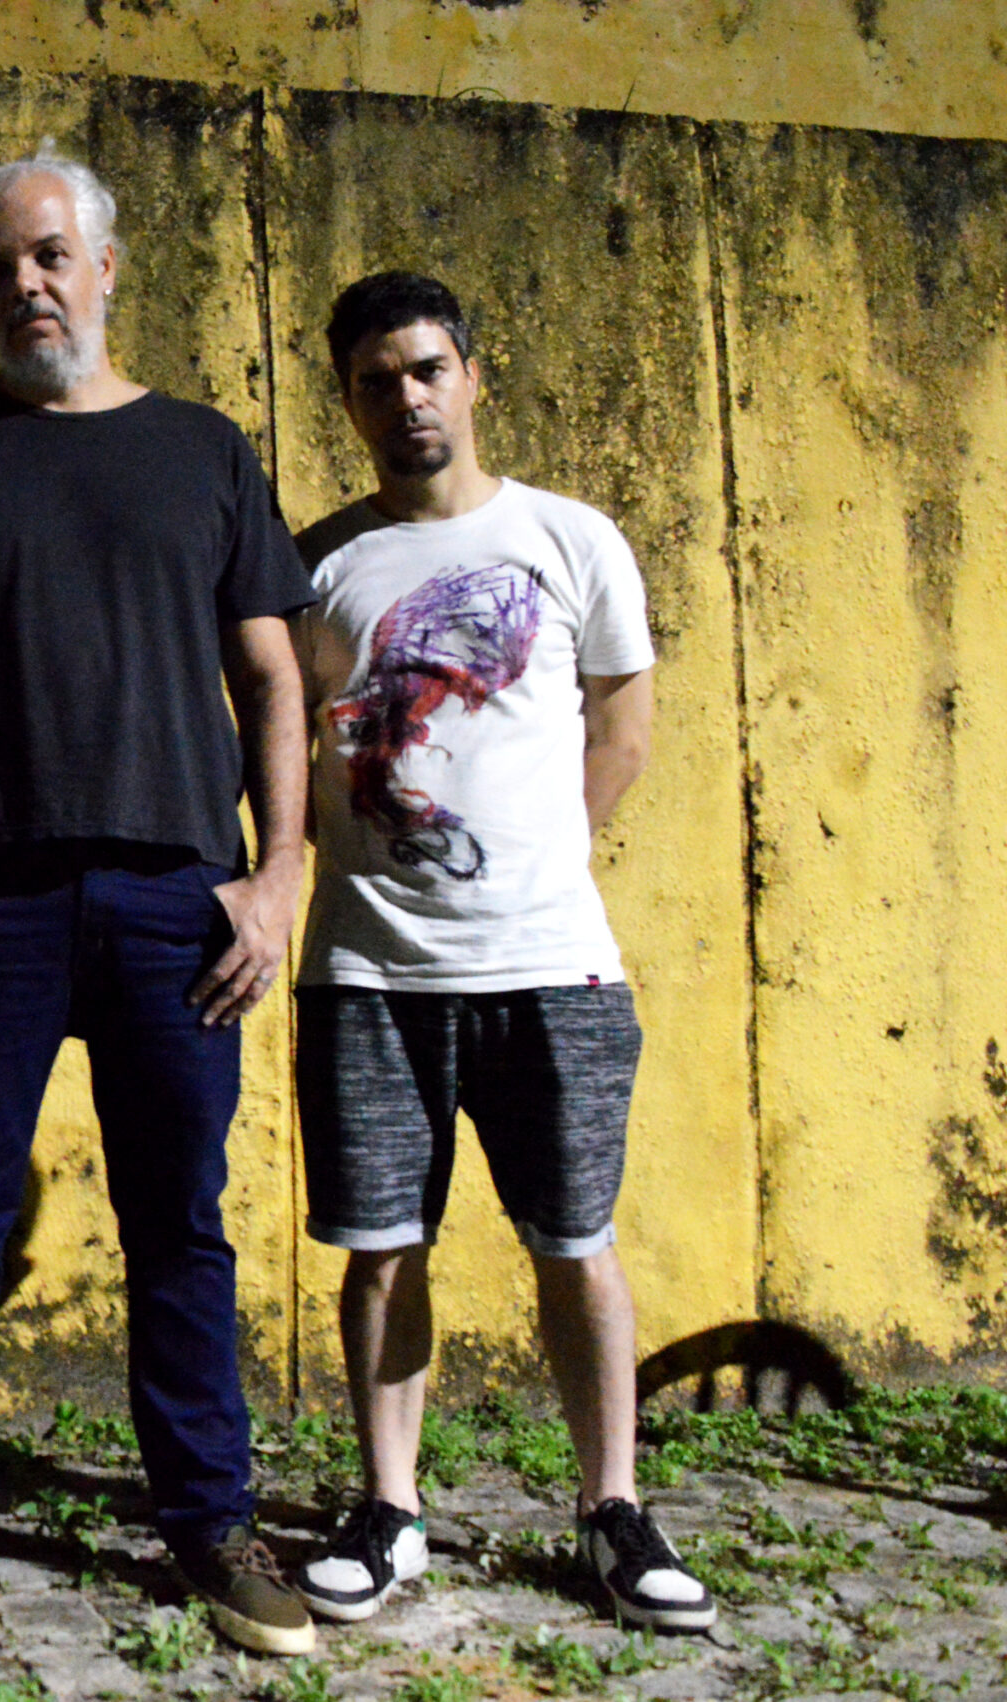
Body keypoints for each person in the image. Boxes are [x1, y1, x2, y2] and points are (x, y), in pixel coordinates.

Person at [0, 143, 319, 1658]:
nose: (25, 284)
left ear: (104, 268)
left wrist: (278, 873)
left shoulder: (206, 450)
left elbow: (274, 680)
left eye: (49, 256)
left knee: (180, 1226)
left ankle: (214, 1525)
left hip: (178, 900)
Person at [287, 271, 711, 1633]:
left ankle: (612, 1508)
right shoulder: (316, 564)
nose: (406, 398)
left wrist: (529, 864)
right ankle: (391, 1509)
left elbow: (623, 730)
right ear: (348, 401)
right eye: (376, 380)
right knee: (381, 1247)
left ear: (473, 376)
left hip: (553, 965)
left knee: (577, 1244)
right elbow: (280, 748)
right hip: (368, 973)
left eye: (427, 370)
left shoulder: (571, 538)